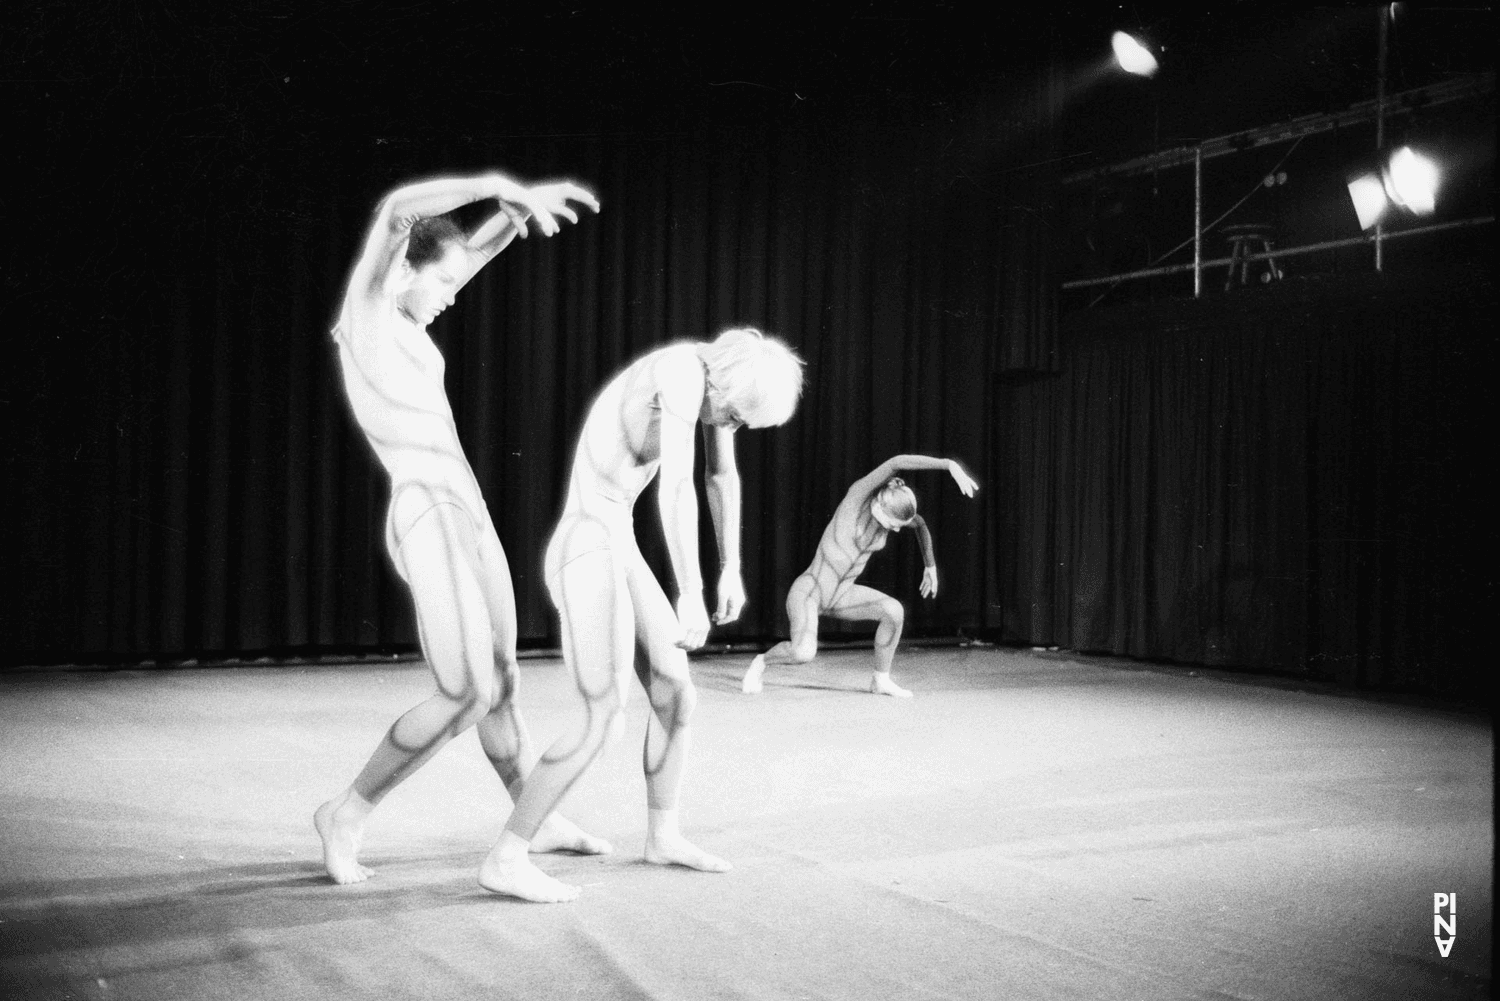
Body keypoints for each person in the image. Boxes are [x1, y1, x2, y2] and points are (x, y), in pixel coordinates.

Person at [315, 170, 605, 886]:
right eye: (439, 282)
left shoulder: (411, 321)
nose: (451, 294)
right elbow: (393, 209)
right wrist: (497, 183)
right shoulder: (369, 312)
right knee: (466, 688)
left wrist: (515, 214)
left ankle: (531, 815)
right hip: (426, 510)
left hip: (468, 512)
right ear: (404, 269)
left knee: (501, 681)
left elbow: (468, 254)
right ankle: (345, 812)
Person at [477, 327, 805, 902]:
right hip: (586, 540)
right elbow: (675, 485)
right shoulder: (680, 372)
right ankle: (507, 856)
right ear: (726, 385)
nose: (731, 427)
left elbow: (719, 476)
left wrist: (731, 566)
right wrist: (691, 591)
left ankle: (663, 834)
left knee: (676, 695)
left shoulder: (708, 387)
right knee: (603, 713)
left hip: (615, 539)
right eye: (735, 417)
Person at [741, 455, 978, 698]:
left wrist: (931, 567)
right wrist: (948, 465)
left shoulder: (891, 515)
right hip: (810, 592)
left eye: (898, 526)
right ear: (878, 505)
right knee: (803, 653)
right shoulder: (855, 500)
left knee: (894, 611)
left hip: (843, 594)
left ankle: (880, 680)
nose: (896, 530)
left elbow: (918, 524)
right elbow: (896, 462)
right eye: (893, 524)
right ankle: (761, 662)